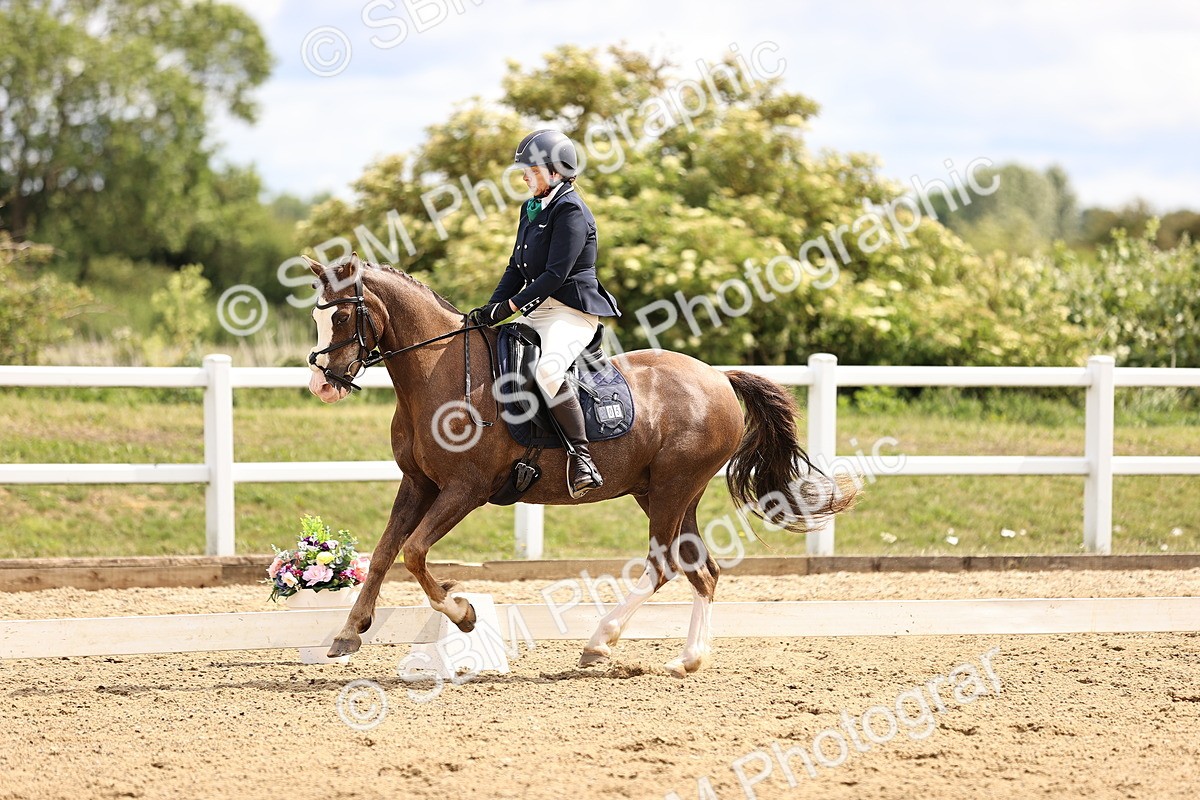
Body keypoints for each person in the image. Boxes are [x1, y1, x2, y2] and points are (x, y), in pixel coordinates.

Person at [468, 129, 621, 499]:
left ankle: (582, 458)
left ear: (555, 171)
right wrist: (489, 310)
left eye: (530, 169)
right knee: (491, 355)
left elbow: (555, 275)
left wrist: (510, 307)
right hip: (538, 308)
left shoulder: (571, 210)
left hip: (571, 311)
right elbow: (516, 267)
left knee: (548, 370)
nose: (523, 176)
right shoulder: (531, 207)